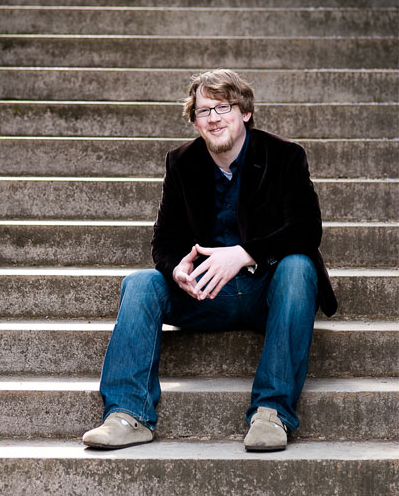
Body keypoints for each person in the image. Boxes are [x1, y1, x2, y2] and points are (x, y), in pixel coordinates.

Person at [82, 69, 337, 452]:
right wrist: (176, 268)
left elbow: (306, 230)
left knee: (299, 266)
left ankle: (272, 412)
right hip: (205, 293)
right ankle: (128, 414)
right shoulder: (182, 162)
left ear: (245, 112)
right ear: (195, 120)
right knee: (140, 282)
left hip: (268, 291)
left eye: (224, 107)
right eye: (204, 111)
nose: (214, 118)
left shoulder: (284, 156)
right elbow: (164, 242)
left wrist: (243, 253)